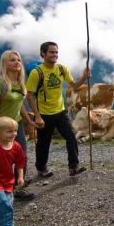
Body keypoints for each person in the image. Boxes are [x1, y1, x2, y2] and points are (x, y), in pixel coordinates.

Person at [26, 41, 89, 177]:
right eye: (51, 52)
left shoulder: (62, 69)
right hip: (44, 113)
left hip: (60, 111)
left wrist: (84, 76)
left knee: (71, 136)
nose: (55, 55)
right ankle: (41, 167)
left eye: (56, 52)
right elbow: (29, 94)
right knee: (44, 142)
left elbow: (74, 86)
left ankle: (73, 167)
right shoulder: (37, 73)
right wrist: (37, 116)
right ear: (43, 54)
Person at [0, 50, 35, 201]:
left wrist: (29, 122)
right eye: (12, 60)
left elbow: (19, 105)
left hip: (16, 125)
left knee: (21, 156)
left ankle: (18, 188)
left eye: (18, 60)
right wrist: (0, 128)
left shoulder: (21, 82)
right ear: (4, 64)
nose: (17, 62)